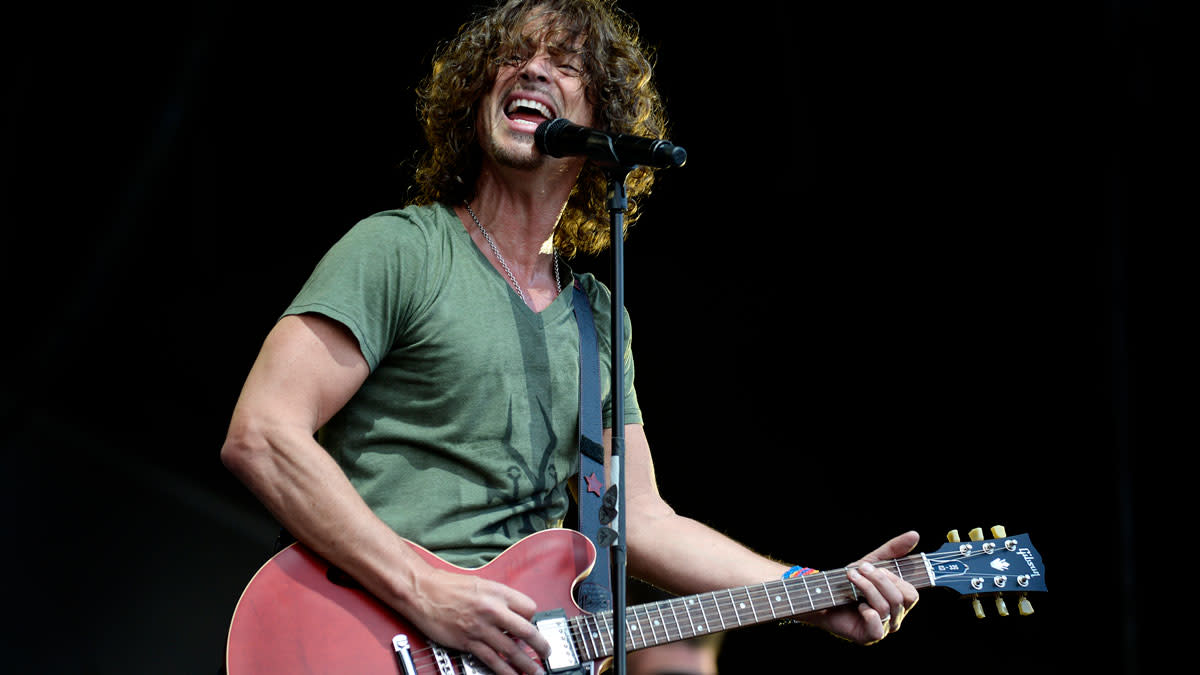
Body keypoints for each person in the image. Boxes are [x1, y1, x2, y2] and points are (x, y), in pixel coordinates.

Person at [220, 2, 920, 674]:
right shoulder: (402, 249)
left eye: (563, 63)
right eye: (512, 57)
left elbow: (641, 520)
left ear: (600, 118)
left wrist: (812, 588)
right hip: (362, 637)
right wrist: (422, 588)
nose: (530, 71)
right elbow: (263, 432)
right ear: (474, 96)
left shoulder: (598, 318)